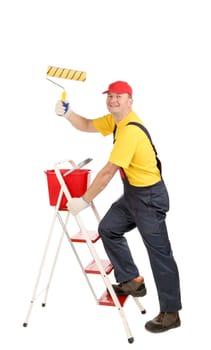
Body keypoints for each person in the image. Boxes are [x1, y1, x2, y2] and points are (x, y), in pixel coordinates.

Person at [55, 80, 182, 333]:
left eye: (119, 97)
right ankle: (131, 280)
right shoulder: (116, 120)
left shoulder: (130, 131)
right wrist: (69, 114)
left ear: (130, 101)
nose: (113, 100)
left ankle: (171, 313)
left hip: (149, 197)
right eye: (110, 96)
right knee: (109, 228)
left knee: (160, 255)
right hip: (133, 194)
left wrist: (84, 200)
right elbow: (89, 125)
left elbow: (108, 172)